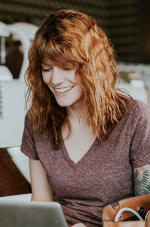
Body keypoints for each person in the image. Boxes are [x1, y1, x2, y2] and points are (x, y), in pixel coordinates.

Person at [21, 9, 150, 227]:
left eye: (67, 67)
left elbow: (147, 213)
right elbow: (41, 206)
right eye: (46, 68)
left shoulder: (134, 117)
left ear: (92, 67)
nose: (55, 79)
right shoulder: (37, 121)